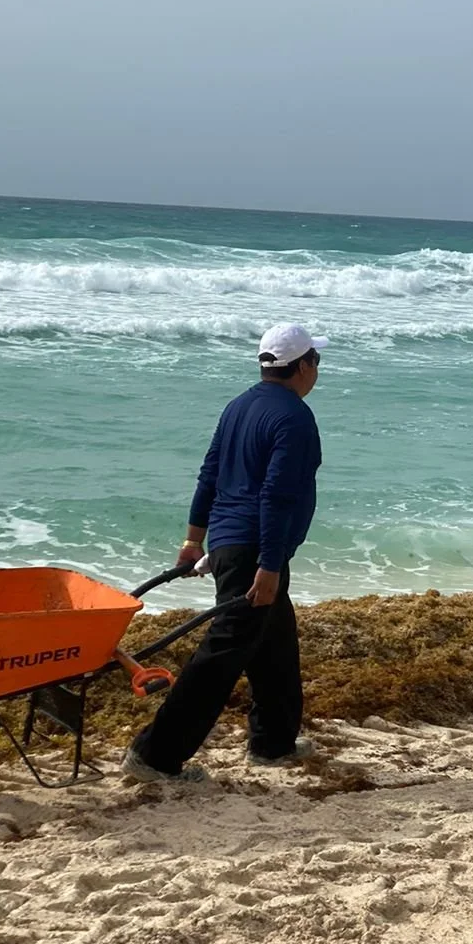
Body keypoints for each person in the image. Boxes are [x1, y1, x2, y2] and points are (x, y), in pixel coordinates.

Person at [123, 322, 327, 783]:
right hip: (256, 549)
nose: (318, 370)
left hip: (232, 542)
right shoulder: (294, 418)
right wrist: (271, 564)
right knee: (222, 654)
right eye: (317, 361)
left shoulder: (239, 406)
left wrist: (194, 539)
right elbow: (276, 495)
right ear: (302, 366)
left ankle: (273, 743)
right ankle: (155, 755)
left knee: (275, 645)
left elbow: (209, 474)